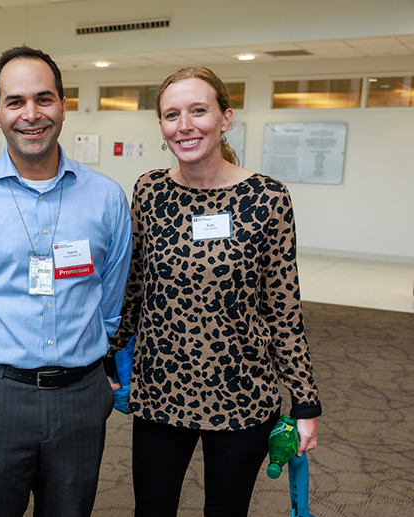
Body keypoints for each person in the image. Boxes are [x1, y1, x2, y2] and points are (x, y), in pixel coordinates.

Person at [0, 46, 132, 517]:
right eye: (15, 102)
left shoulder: (107, 198)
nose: (31, 114)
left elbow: (111, 295)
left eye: (44, 98)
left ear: (63, 104)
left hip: (81, 396)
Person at [112, 66, 322, 517]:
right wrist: (110, 356)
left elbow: (283, 307)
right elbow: (133, 286)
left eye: (198, 110)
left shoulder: (268, 197)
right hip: (161, 389)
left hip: (241, 393)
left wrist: (305, 400)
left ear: (225, 118)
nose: (184, 125)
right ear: (163, 127)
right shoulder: (149, 191)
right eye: (172, 115)